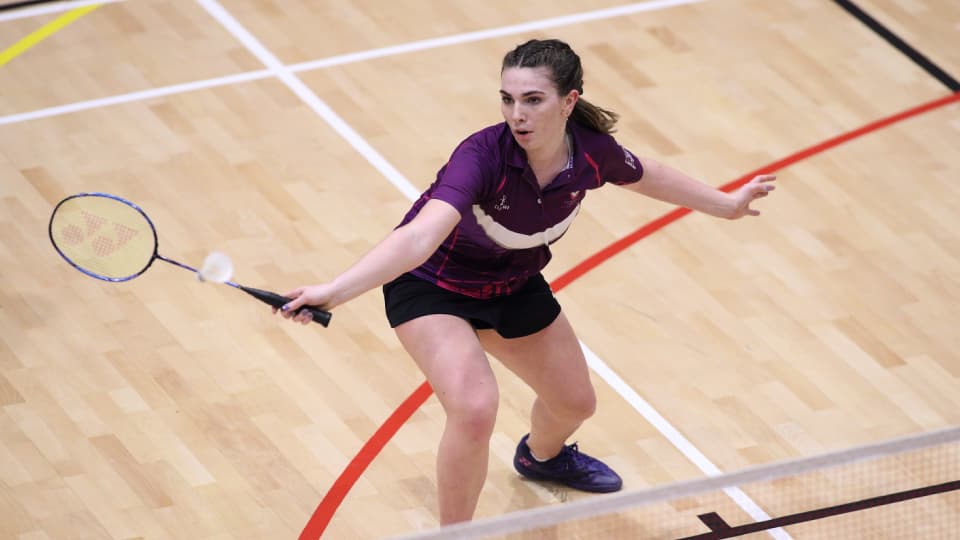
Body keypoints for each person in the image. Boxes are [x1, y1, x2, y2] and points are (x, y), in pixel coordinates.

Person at [276, 38, 776, 524]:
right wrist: (331, 292)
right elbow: (416, 240)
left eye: (532, 100)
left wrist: (726, 203)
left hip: (512, 284)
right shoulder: (481, 156)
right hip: (433, 287)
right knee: (474, 409)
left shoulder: (590, 153)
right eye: (508, 99)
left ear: (568, 102)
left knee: (575, 403)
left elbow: (648, 173)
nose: (517, 114)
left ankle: (540, 458)